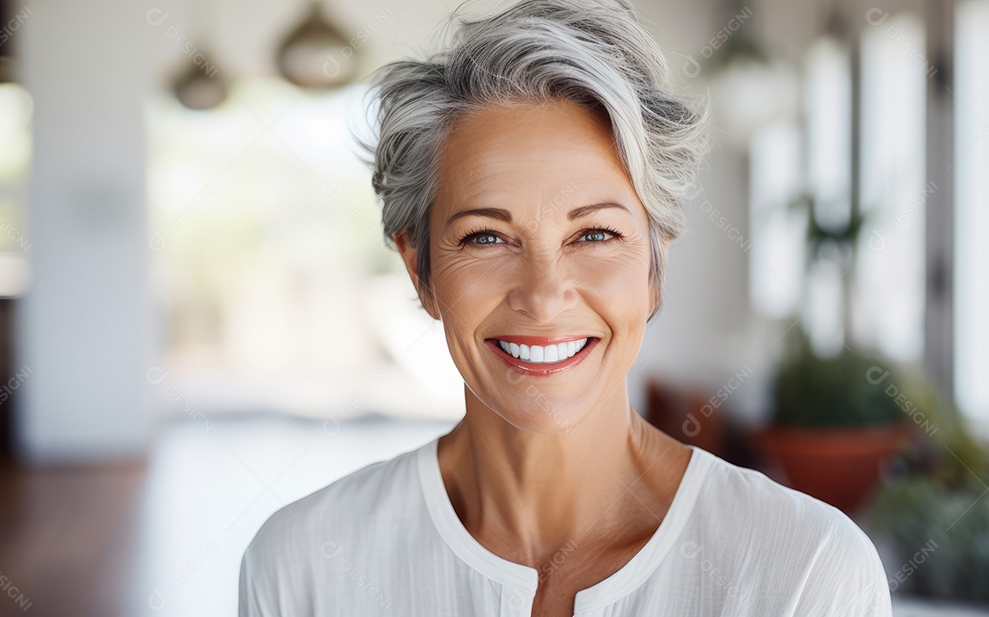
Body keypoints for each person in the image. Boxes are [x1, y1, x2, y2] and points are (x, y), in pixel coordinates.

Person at [239, 0, 893, 614]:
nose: (544, 294)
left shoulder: (809, 573)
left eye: (596, 234)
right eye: (487, 237)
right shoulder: (304, 567)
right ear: (421, 270)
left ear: (654, 268)